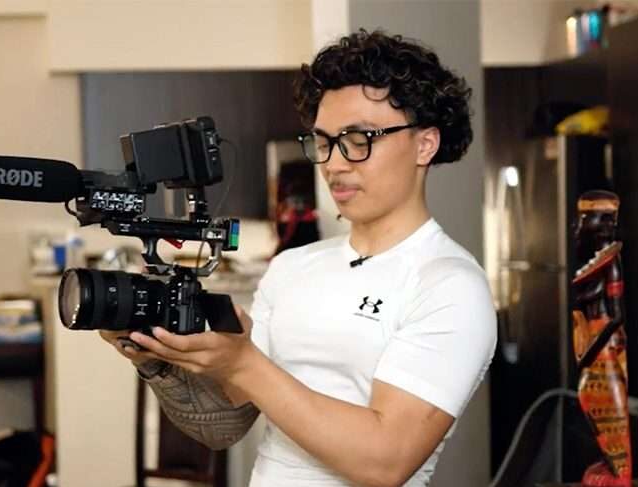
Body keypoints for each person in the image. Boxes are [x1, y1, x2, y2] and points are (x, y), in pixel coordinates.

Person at [99, 29, 496, 487]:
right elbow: (224, 425)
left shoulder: (449, 284)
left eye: (359, 138)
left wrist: (245, 363)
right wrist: (154, 359)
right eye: (323, 141)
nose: (334, 163)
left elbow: (386, 461)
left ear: (425, 144)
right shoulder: (294, 267)